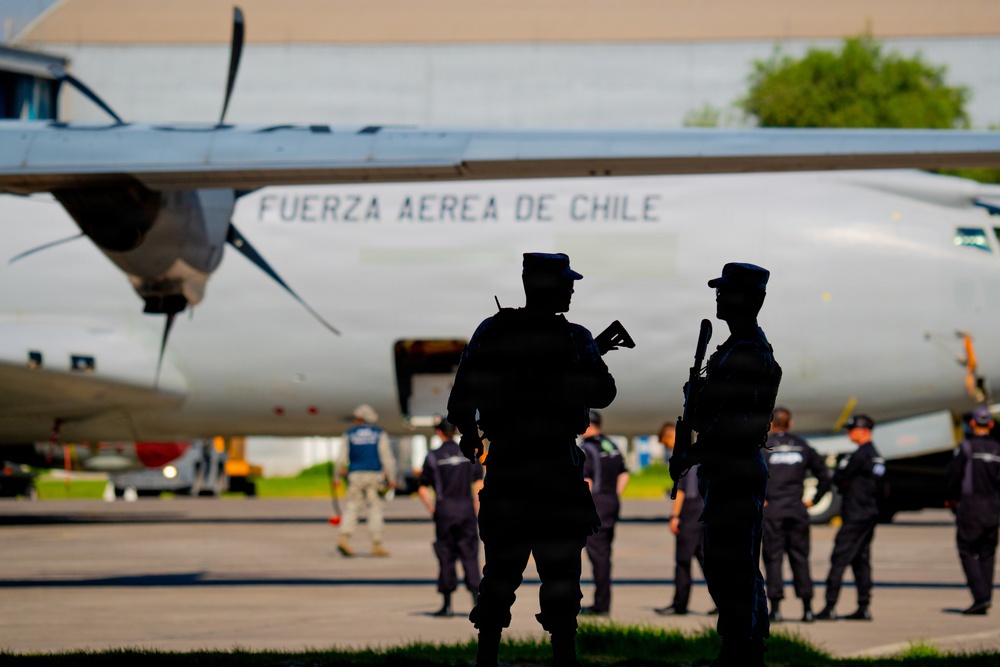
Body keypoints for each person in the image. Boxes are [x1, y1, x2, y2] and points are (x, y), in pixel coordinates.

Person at [447, 252, 620, 667]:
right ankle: (563, 657)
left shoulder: (492, 331)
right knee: (561, 572)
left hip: (507, 467)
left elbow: (461, 398)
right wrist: (583, 359)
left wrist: (471, 435)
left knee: (500, 570)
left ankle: (486, 656)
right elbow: (603, 394)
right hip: (557, 473)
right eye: (568, 283)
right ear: (553, 287)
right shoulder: (575, 338)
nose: (572, 290)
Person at [671, 262, 781, 667]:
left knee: (732, 568)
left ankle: (741, 652)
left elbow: (734, 424)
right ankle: (743, 647)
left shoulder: (748, 352)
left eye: (727, 291)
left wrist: (692, 452)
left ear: (753, 299)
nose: (719, 297)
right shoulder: (734, 348)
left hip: (735, 468)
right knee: (730, 566)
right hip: (728, 469)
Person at [762, 407, 831, 623]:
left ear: (770, 424)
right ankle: (807, 608)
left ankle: (775, 609)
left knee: (773, 559)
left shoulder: (763, 448)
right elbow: (825, 476)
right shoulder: (803, 446)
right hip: (796, 510)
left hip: (772, 510)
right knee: (800, 559)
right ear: (790, 424)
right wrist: (813, 500)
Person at [816, 414, 885, 621]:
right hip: (869, 514)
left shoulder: (860, 455)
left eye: (852, 429)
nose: (848, 433)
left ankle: (829, 606)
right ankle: (863, 606)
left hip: (855, 515)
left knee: (840, 557)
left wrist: (841, 475)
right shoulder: (875, 455)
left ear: (864, 430)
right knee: (861, 560)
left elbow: (839, 477)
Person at [417, 418, 485, 617]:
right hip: (466, 510)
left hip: (445, 511)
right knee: (470, 555)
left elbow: (422, 489)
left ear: (439, 433)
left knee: (446, 556)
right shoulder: (469, 453)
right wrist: (475, 509)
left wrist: (433, 509)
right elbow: (479, 485)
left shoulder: (432, 457)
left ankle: (447, 606)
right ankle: (476, 602)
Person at [945, 406, 1000, 615]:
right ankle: (985, 596)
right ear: (991, 425)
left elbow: (954, 475)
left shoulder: (967, 447)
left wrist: (949, 498)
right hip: (993, 507)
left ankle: (980, 597)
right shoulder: (998, 449)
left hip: (971, 506)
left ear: (973, 424)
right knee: (988, 553)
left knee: (966, 550)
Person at [654, 421, 708, 616]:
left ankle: (680, 604)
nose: (668, 447)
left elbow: (681, 491)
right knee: (704, 558)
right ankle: (723, 600)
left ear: (672, 437)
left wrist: (674, 516)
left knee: (683, 560)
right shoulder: (700, 453)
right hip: (704, 509)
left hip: (690, 511)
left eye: (667, 442)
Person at [580, 410, 629, 616]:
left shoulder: (587, 449)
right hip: (611, 502)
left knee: (597, 555)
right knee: (605, 554)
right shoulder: (611, 445)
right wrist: (613, 495)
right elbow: (624, 474)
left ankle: (601, 604)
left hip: (596, 504)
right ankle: (603, 601)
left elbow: (587, 482)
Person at [336, 404, 397, 557]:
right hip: (374, 476)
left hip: (355, 475)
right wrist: (392, 477)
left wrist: (336, 476)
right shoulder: (379, 433)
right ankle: (376, 544)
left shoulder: (350, 433)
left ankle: (344, 537)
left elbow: (341, 457)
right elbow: (386, 457)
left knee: (352, 507)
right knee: (375, 509)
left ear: (358, 418)